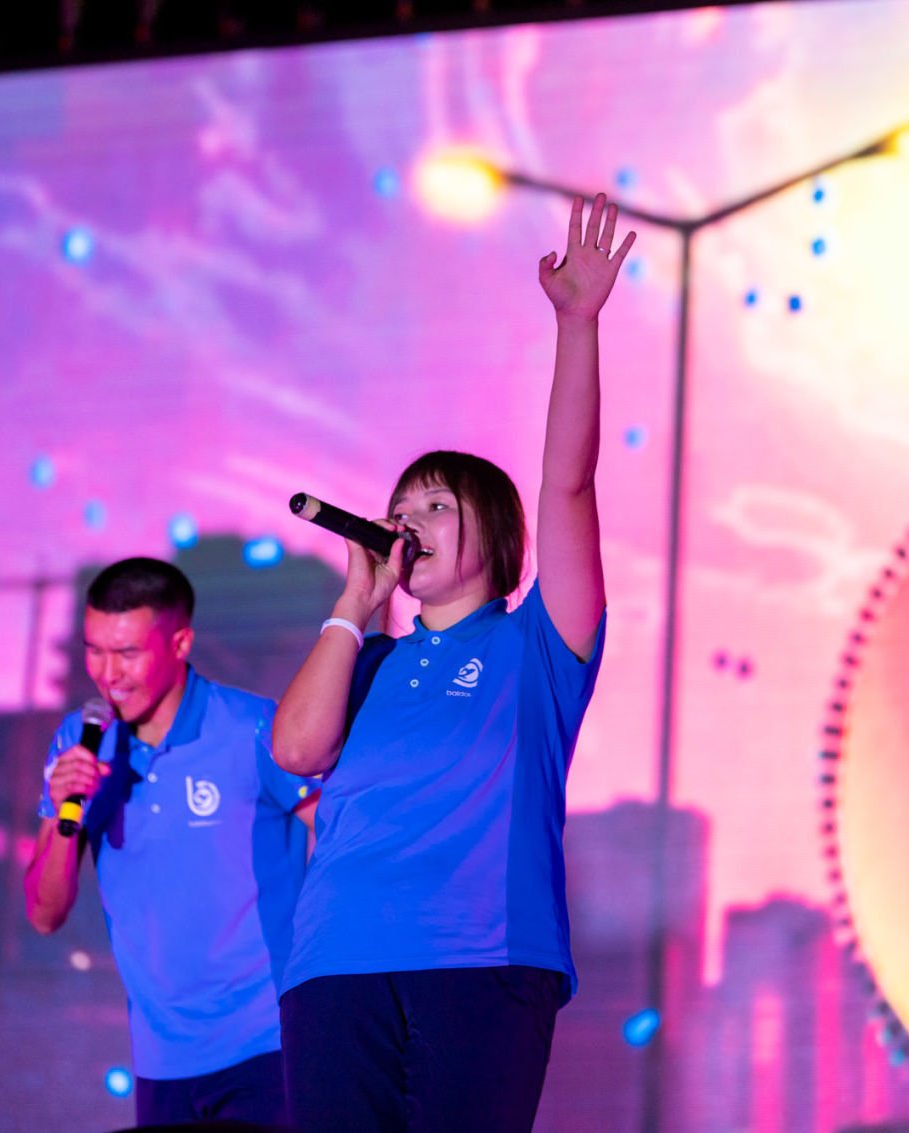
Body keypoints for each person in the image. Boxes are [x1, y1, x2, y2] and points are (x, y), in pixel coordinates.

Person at [271, 194, 635, 1131]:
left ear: (497, 534)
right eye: (402, 508)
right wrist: (355, 604)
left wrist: (578, 324)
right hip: (335, 964)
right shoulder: (370, 659)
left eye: (437, 506)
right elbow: (297, 750)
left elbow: (569, 482)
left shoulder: (536, 644)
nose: (410, 521)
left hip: (480, 959)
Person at [24, 556, 317, 1128]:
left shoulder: (252, 726)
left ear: (180, 643)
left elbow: (340, 839)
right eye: (94, 651)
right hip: (162, 1059)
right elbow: (43, 913)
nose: (108, 674)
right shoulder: (79, 742)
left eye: (127, 653)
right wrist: (66, 814)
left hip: (271, 1042)